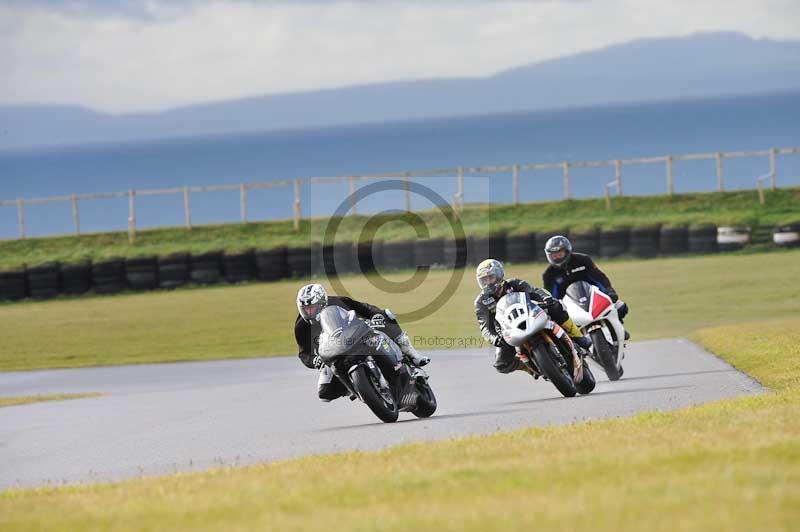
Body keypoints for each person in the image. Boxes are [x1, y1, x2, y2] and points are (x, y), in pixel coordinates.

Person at [294, 283, 429, 402]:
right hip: (332, 352)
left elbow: (364, 308)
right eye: (306, 309)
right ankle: (355, 387)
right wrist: (314, 361)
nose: (309, 312)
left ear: (323, 302)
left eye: (312, 307)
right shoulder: (301, 326)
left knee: (387, 315)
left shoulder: (338, 301)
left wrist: (377, 315)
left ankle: (411, 353)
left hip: (357, 335)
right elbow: (304, 353)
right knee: (325, 393)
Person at [473, 258, 592, 375]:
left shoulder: (515, 283)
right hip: (507, 331)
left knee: (556, 306)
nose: (488, 282)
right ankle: (529, 368)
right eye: (484, 280)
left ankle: (577, 336)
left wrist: (546, 298)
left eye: (491, 277)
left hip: (531, 314)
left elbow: (535, 291)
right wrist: (495, 339)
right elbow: (485, 328)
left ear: (499, 275)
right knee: (501, 364)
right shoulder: (481, 301)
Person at [541, 235, 629, 332]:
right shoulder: (548, 274)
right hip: (568, 306)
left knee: (621, 307)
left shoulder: (583, 260)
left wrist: (608, 290)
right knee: (554, 324)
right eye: (554, 255)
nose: (557, 257)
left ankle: (617, 327)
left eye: (559, 254)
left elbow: (598, 277)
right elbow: (550, 294)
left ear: (567, 251)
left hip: (592, 297)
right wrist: (553, 308)